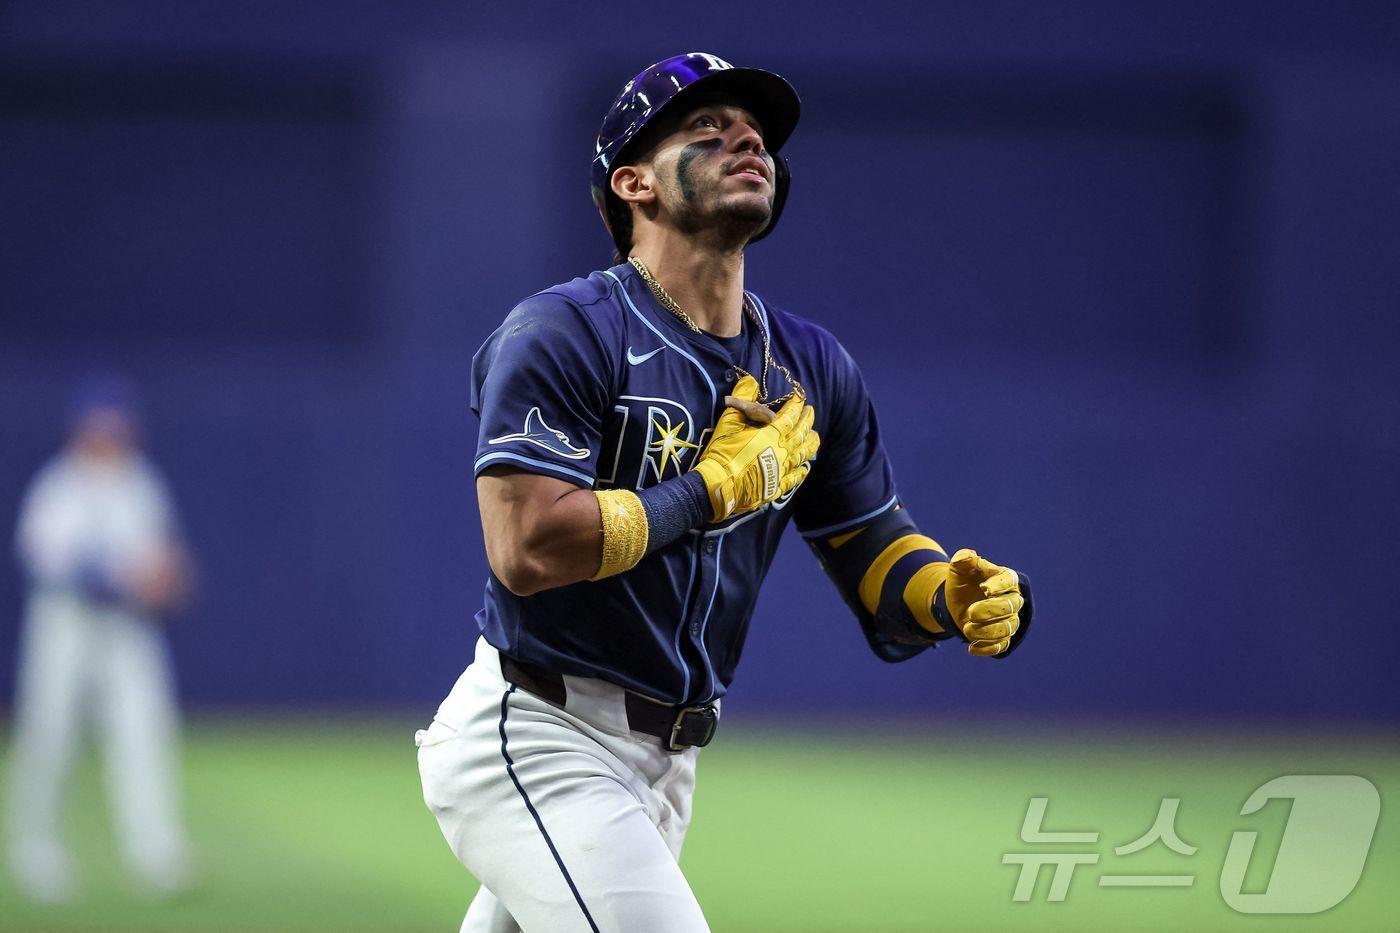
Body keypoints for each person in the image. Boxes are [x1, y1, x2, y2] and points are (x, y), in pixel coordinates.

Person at [416, 52, 1034, 932]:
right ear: (633, 182)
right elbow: (525, 549)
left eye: (757, 136)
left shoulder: (811, 366)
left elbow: (873, 549)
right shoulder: (563, 331)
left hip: (668, 764)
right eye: (706, 130)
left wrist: (949, 596)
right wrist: (705, 492)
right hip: (543, 733)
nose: (747, 140)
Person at [7, 377, 193, 902]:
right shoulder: (59, 486)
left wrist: (166, 577)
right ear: (83, 429)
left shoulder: (140, 483)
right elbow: (52, 564)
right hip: (65, 627)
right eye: (102, 425)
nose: (111, 434)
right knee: (49, 737)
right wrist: (125, 579)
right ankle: (36, 851)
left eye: (118, 424)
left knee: (143, 735)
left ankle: (155, 853)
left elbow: (163, 558)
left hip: (128, 631)